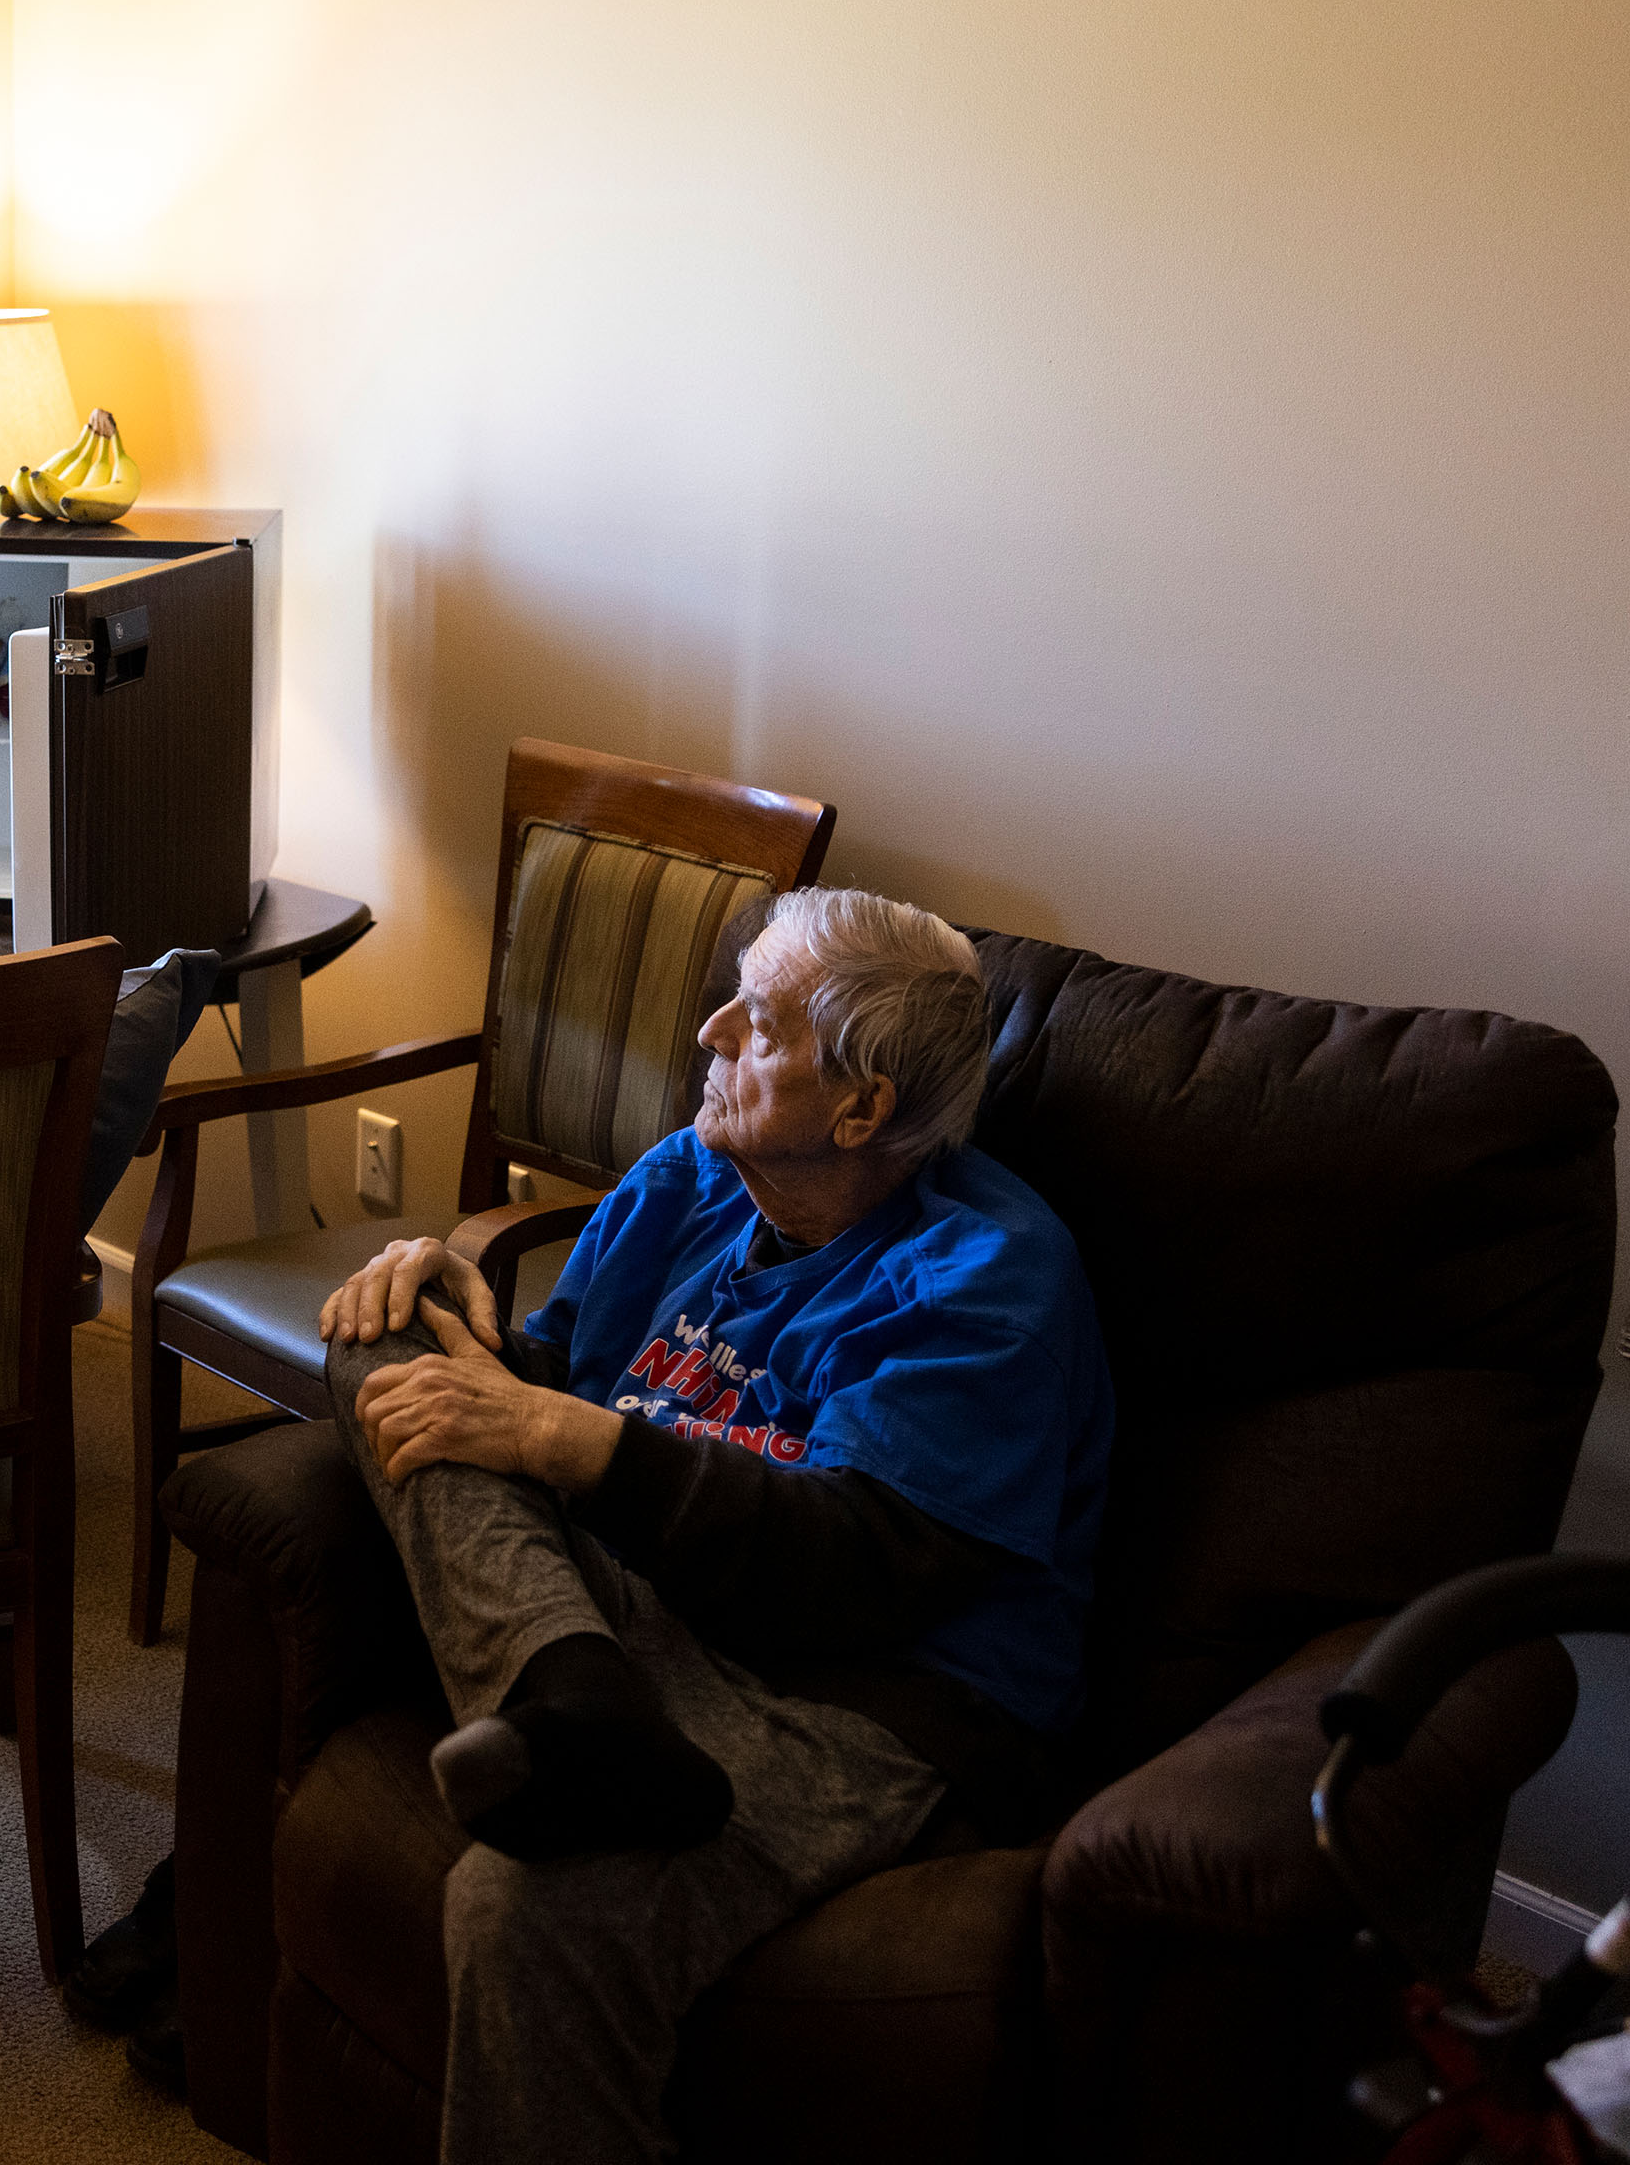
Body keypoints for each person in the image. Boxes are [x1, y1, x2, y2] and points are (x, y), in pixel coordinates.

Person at [311, 885, 1112, 2164]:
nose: (709, 1030)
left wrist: (555, 1435)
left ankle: (568, 1698)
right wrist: (465, 1317)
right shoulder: (690, 1174)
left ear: (864, 1107)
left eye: (763, 1022)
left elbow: (854, 1567)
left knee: (522, 1909)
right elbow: (559, 1381)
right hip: (632, 1602)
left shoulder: (987, 1277)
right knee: (385, 1334)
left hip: (860, 1687)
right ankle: (572, 1692)